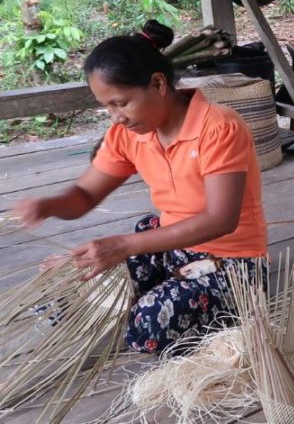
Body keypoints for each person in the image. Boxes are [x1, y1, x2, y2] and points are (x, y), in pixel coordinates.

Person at [13, 20, 268, 354]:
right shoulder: (128, 134)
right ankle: (166, 286)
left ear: (159, 84)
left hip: (231, 260)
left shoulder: (219, 128)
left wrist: (125, 246)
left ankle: (188, 299)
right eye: (106, 106)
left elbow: (220, 219)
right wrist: (48, 205)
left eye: (121, 102)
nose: (114, 116)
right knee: (62, 293)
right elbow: (85, 195)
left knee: (146, 327)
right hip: (167, 243)